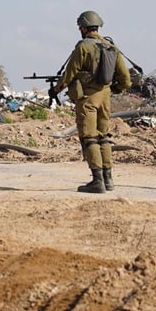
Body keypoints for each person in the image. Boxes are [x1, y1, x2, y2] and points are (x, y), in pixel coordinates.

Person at [50, 11, 130, 193]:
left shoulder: (83, 47)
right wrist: (112, 90)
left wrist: (55, 90)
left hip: (88, 99)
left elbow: (69, 74)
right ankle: (108, 180)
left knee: (89, 137)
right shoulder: (111, 47)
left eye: (80, 27)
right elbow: (125, 79)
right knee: (103, 136)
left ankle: (97, 181)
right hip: (105, 98)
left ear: (84, 28)